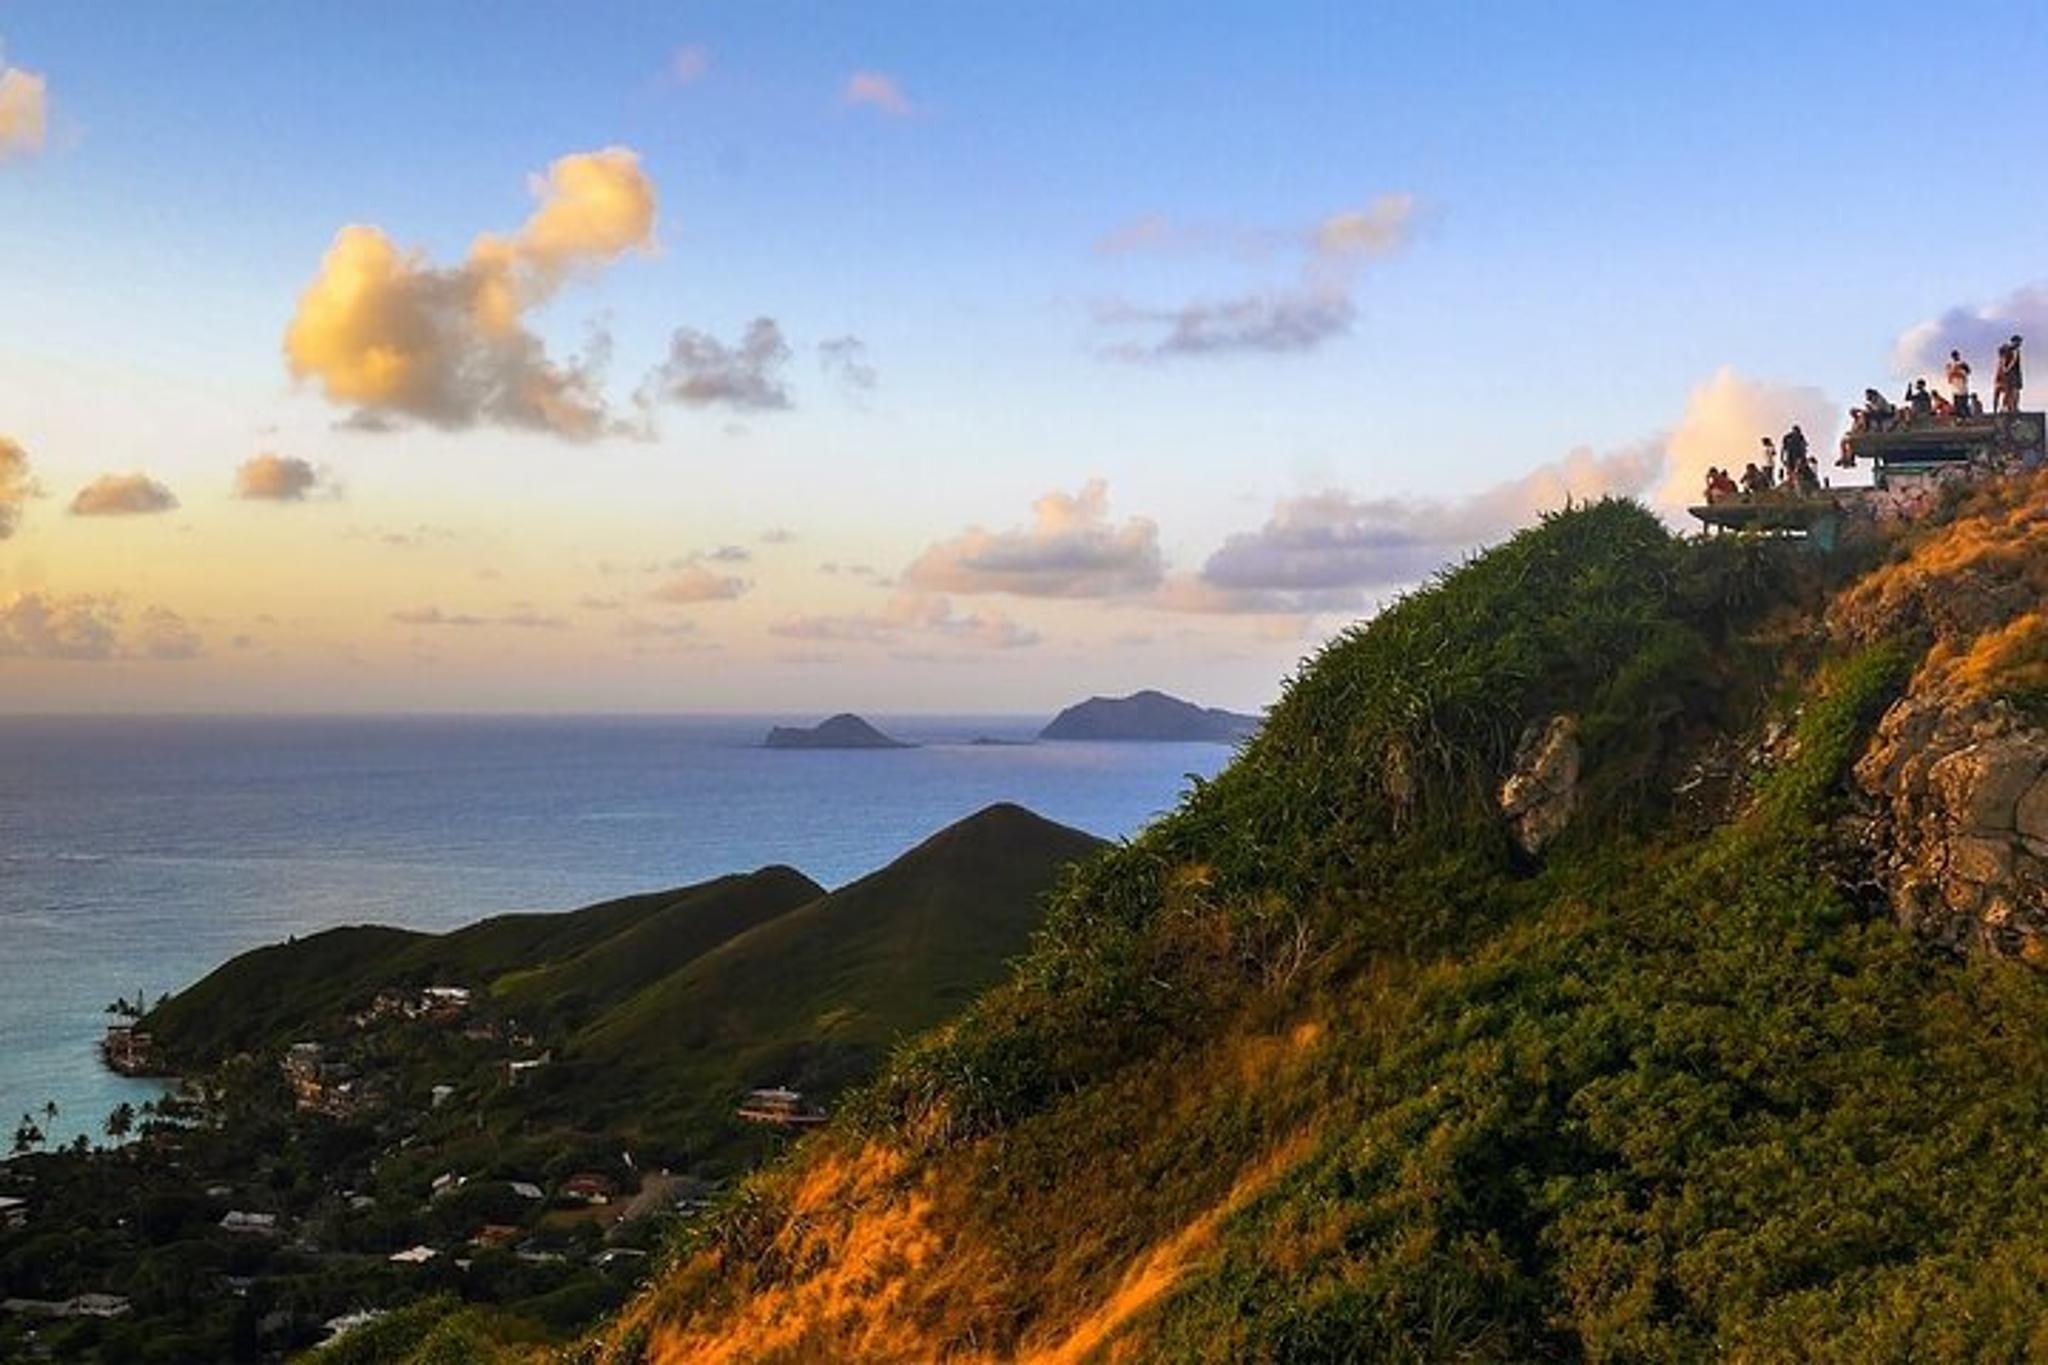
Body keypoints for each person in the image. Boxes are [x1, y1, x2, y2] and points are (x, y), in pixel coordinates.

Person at [1997, 335, 2024, 413]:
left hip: (2012, 373)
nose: (2020, 344)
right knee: (2012, 391)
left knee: (2013, 391)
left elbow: (2004, 360)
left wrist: (2005, 369)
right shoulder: (2011, 350)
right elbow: (2012, 361)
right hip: (2012, 374)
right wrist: (2006, 369)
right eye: (2019, 342)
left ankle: (2012, 407)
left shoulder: (2010, 349)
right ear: (2015, 341)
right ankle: (2010, 407)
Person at [1947, 349, 1973, 418]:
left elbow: (1968, 371)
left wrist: (1960, 370)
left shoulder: (1963, 364)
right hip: (1955, 387)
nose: (1955, 357)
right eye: (1954, 356)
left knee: (1963, 404)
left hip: (1962, 386)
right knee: (1958, 405)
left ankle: (1966, 417)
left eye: (1956, 355)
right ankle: (1960, 418)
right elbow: (1949, 376)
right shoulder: (1950, 365)